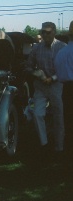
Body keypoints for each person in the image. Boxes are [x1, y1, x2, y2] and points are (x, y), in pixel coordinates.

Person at [25, 22, 66, 155]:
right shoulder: (36, 48)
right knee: (37, 114)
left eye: (48, 32)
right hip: (41, 86)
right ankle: (44, 144)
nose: (45, 35)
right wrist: (36, 73)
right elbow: (28, 66)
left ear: (54, 32)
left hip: (56, 85)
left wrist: (52, 78)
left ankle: (59, 147)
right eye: (43, 32)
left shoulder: (62, 47)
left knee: (58, 115)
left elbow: (65, 68)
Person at [54, 20, 73, 157]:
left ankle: (68, 150)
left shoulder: (61, 52)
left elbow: (59, 75)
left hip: (66, 89)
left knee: (68, 120)